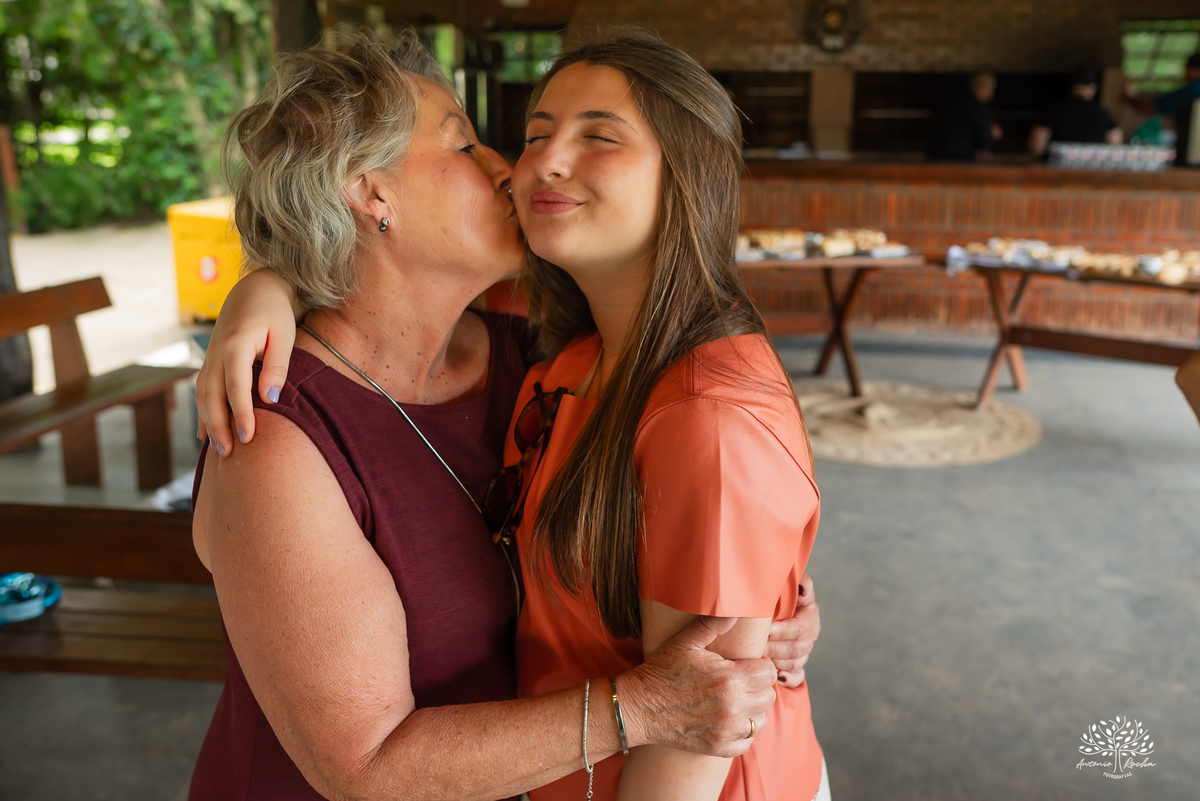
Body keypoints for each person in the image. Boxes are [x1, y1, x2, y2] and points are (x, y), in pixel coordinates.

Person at [190, 30, 820, 801]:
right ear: (370, 192)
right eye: (466, 147)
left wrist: (764, 595)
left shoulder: (530, 355)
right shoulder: (274, 435)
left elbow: (699, 479)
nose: (512, 170)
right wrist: (644, 705)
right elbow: (364, 764)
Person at [1028, 67, 1122, 158]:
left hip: (1057, 169)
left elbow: (1037, 146)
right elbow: (1115, 142)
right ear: (1092, 88)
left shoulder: (1054, 110)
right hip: (1092, 169)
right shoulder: (1102, 112)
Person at [1126, 52, 1200, 167]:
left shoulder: (1190, 91)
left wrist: (1127, 97)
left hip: (1190, 157)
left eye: (1187, 69)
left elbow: (1149, 107)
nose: (1184, 73)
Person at [928, 71, 1002, 162]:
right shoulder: (979, 108)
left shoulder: (954, 99)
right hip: (960, 155)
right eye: (991, 88)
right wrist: (993, 135)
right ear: (983, 87)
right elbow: (985, 141)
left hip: (937, 151)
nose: (992, 93)